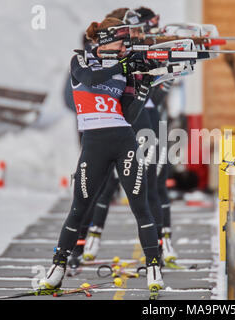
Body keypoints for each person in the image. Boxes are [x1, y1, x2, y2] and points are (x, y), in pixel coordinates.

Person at [39, 17, 163, 291]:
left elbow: (129, 114)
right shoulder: (81, 61)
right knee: (79, 208)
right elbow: (92, 78)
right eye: (122, 42)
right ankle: (58, 267)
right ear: (106, 41)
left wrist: (143, 85)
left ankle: (154, 267)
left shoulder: (121, 69)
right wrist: (123, 65)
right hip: (94, 144)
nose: (125, 48)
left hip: (123, 140)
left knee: (140, 206)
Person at [81, 7, 178, 265]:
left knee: (153, 181)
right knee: (103, 183)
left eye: (142, 29)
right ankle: (87, 237)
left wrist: (167, 71)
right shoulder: (117, 49)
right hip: (118, 120)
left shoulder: (144, 46)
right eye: (135, 30)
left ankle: (161, 243)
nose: (141, 34)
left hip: (145, 116)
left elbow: (157, 95)